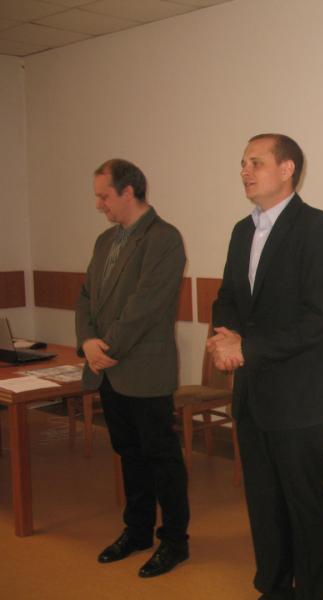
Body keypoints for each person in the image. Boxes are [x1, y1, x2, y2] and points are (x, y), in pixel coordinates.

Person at [207, 134, 323, 600]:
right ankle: (273, 587)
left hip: (297, 395)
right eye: (242, 163)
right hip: (252, 394)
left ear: (287, 169)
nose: (245, 171)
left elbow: (318, 319)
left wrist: (246, 347)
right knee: (263, 501)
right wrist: (224, 339)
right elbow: (228, 297)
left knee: (304, 505)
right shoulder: (241, 231)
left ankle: (314, 592)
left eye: (256, 162)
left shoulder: (318, 228)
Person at [75, 158, 190, 577]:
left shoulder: (164, 238)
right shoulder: (105, 241)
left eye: (104, 196)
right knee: (128, 454)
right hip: (108, 368)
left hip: (143, 369)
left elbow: (146, 306)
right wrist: (88, 342)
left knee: (162, 457)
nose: (99, 205)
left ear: (128, 191)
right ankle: (138, 530)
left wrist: (105, 348)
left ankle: (174, 541)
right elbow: (86, 297)